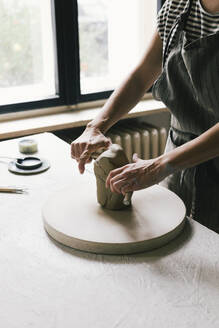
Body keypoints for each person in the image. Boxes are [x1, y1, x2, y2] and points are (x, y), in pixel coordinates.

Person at [71, 0, 219, 233]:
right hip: (178, 162)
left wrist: (159, 166)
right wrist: (96, 126)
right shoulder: (178, 5)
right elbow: (142, 75)